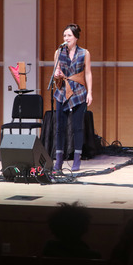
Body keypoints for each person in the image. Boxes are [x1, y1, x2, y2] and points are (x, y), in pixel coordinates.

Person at [53, 24, 93, 171]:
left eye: (69, 35)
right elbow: (56, 70)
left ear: (76, 37)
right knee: (60, 127)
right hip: (62, 91)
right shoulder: (58, 52)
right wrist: (57, 74)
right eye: (64, 36)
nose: (66, 38)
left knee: (77, 127)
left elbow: (88, 73)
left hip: (78, 91)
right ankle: (59, 160)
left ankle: (77, 159)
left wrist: (89, 92)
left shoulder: (84, 53)